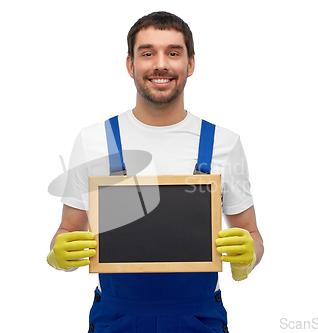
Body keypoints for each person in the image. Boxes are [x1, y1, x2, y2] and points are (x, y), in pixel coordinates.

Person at [47, 11, 264, 333]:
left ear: (190, 64)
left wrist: (248, 255)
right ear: (130, 65)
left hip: (198, 318)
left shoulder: (223, 143)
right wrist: (58, 255)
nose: (160, 64)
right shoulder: (93, 141)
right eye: (147, 53)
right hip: (117, 317)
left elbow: (252, 234)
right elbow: (67, 230)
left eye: (173, 53)